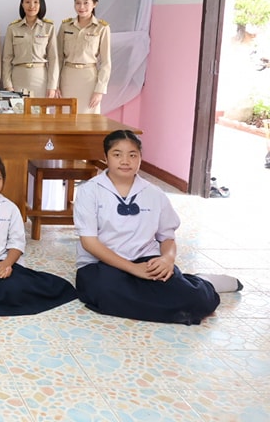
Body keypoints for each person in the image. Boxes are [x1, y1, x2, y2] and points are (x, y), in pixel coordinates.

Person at [74, 130, 241, 325]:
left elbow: (167, 237)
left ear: (140, 158)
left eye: (132, 155)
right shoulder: (89, 191)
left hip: (147, 260)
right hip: (101, 265)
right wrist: (133, 269)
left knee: (194, 301)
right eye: (117, 154)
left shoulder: (154, 193)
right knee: (104, 294)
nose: (125, 161)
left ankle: (202, 284)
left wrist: (167, 259)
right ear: (106, 157)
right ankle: (173, 289)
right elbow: (89, 242)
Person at [0, 155, 77, 315]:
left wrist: (6, 264)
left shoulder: (10, 208)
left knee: (17, 288)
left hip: (5, 262)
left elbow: (17, 242)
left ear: (3, 180)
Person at [57, 0, 111, 113]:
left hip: (89, 79)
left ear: (94, 4)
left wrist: (99, 90)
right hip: (67, 78)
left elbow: (106, 62)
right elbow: (58, 57)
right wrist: (55, 85)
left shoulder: (102, 28)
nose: (81, 7)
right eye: (78, 3)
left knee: (88, 121)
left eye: (86, 2)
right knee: (66, 117)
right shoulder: (65, 26)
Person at [1, 0, 59, 98]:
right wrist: (8, 85)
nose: (31, 5)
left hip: (41, 79)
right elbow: (6, 59)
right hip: (18, 78)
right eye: (27, 2)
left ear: (41, 4)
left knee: (41, 113)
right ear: (22, 4)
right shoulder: (13, 28)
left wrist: (52, 86)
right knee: (18, 112)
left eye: (36, 2)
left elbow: (53, 58)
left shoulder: (48, 27)